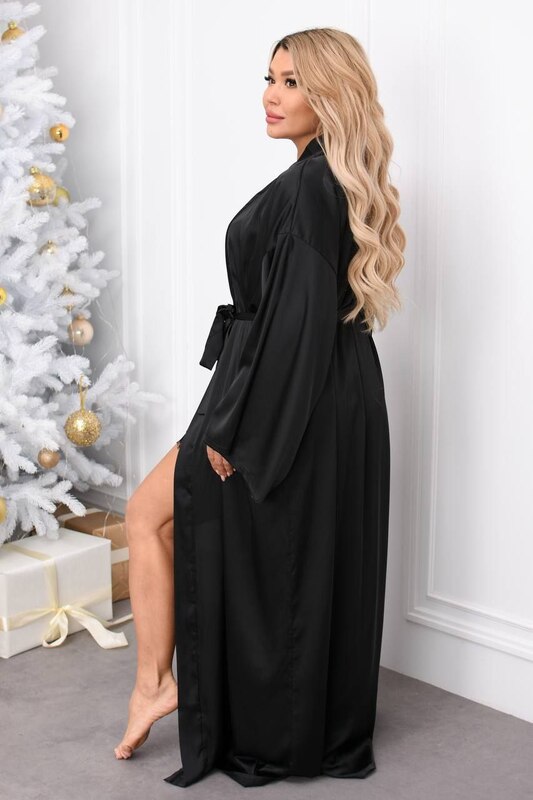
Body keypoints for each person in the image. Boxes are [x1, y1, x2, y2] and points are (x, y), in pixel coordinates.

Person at [115, 26, 406, 789]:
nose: (270, 96)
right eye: (269, 78)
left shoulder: (311, 186)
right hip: (320, 383)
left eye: (291, 82)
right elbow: (297, 316)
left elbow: (296, 321)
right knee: (251, 545)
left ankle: (158, 685)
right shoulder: (321, 179)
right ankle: (163, 684)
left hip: (286, 386)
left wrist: (243, 433)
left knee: (153, 516)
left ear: (330, 94)